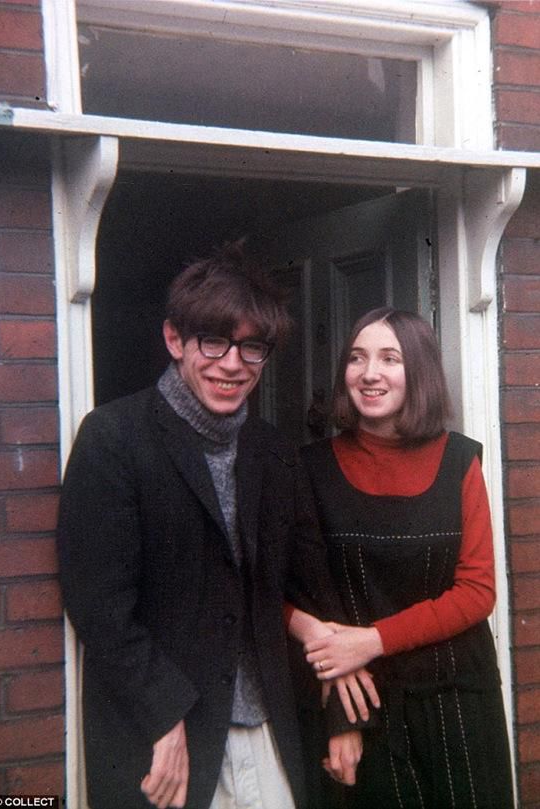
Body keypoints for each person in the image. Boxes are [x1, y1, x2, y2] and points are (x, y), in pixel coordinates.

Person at [57, 244, 376, 809]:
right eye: (213, 341)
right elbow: (99, 608)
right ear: (174, 340)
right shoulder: (113, 438)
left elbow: (311, 587)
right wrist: (163, 713)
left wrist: (339, 716)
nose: (232, 364)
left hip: (270, 732)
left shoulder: (274, 451)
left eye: (252, 347)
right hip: (165, 740)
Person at [286, 307, 514, 808]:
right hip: (363, 705)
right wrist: (339, 708)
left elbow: (477, 593)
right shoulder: (308, 468)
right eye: (357, 358)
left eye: (390, 358)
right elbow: (285, 594)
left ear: (420, 372)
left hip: (458, 699)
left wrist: (372, 640)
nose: (370, 373)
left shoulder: (460, 461)